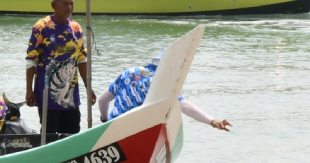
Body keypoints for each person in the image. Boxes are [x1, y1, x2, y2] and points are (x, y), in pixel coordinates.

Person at [97, 53, 232, 130]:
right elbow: (184, 106)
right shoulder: (163, 83)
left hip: (111, 128)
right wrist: (212, 121)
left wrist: (104, 119)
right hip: (134, 131)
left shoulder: (129, 72)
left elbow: (103, 100)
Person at [25, 0, 94, 136]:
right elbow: (31, 60)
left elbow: (82, 59)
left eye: (71, 3)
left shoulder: (76, 28)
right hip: (47, 92)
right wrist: (29, 89)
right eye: (65, 4)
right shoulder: (41, 27)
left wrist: (89, 87)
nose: (69, 7)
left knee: (72, 132)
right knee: (49, 134)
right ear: (53, 5)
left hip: (71, 93)